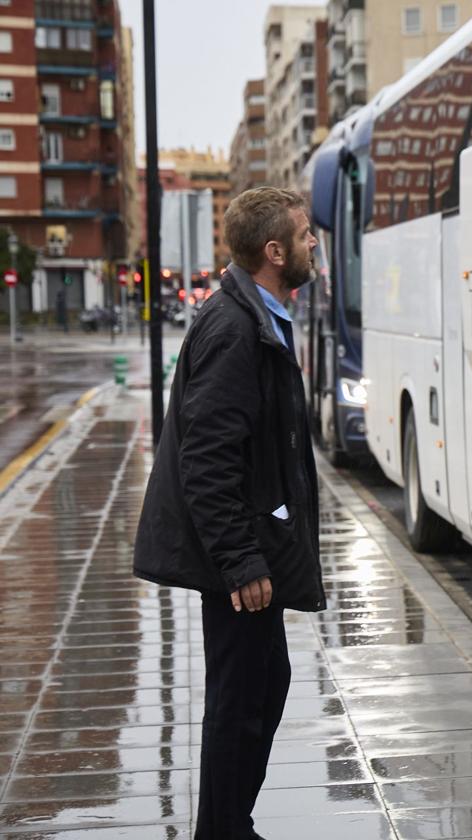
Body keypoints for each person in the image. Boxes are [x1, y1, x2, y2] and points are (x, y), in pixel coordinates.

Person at [133, 187, 325, 840]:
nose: (313, 245)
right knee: (241, 699)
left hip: (254, 541)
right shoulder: (235, 329)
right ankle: (222, 830)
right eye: (304, 236)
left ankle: (228, 825)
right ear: (274, 251)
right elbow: (208, 461)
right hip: (239, 555)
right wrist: (241, 560)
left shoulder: (259, 317)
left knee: (263, 685)